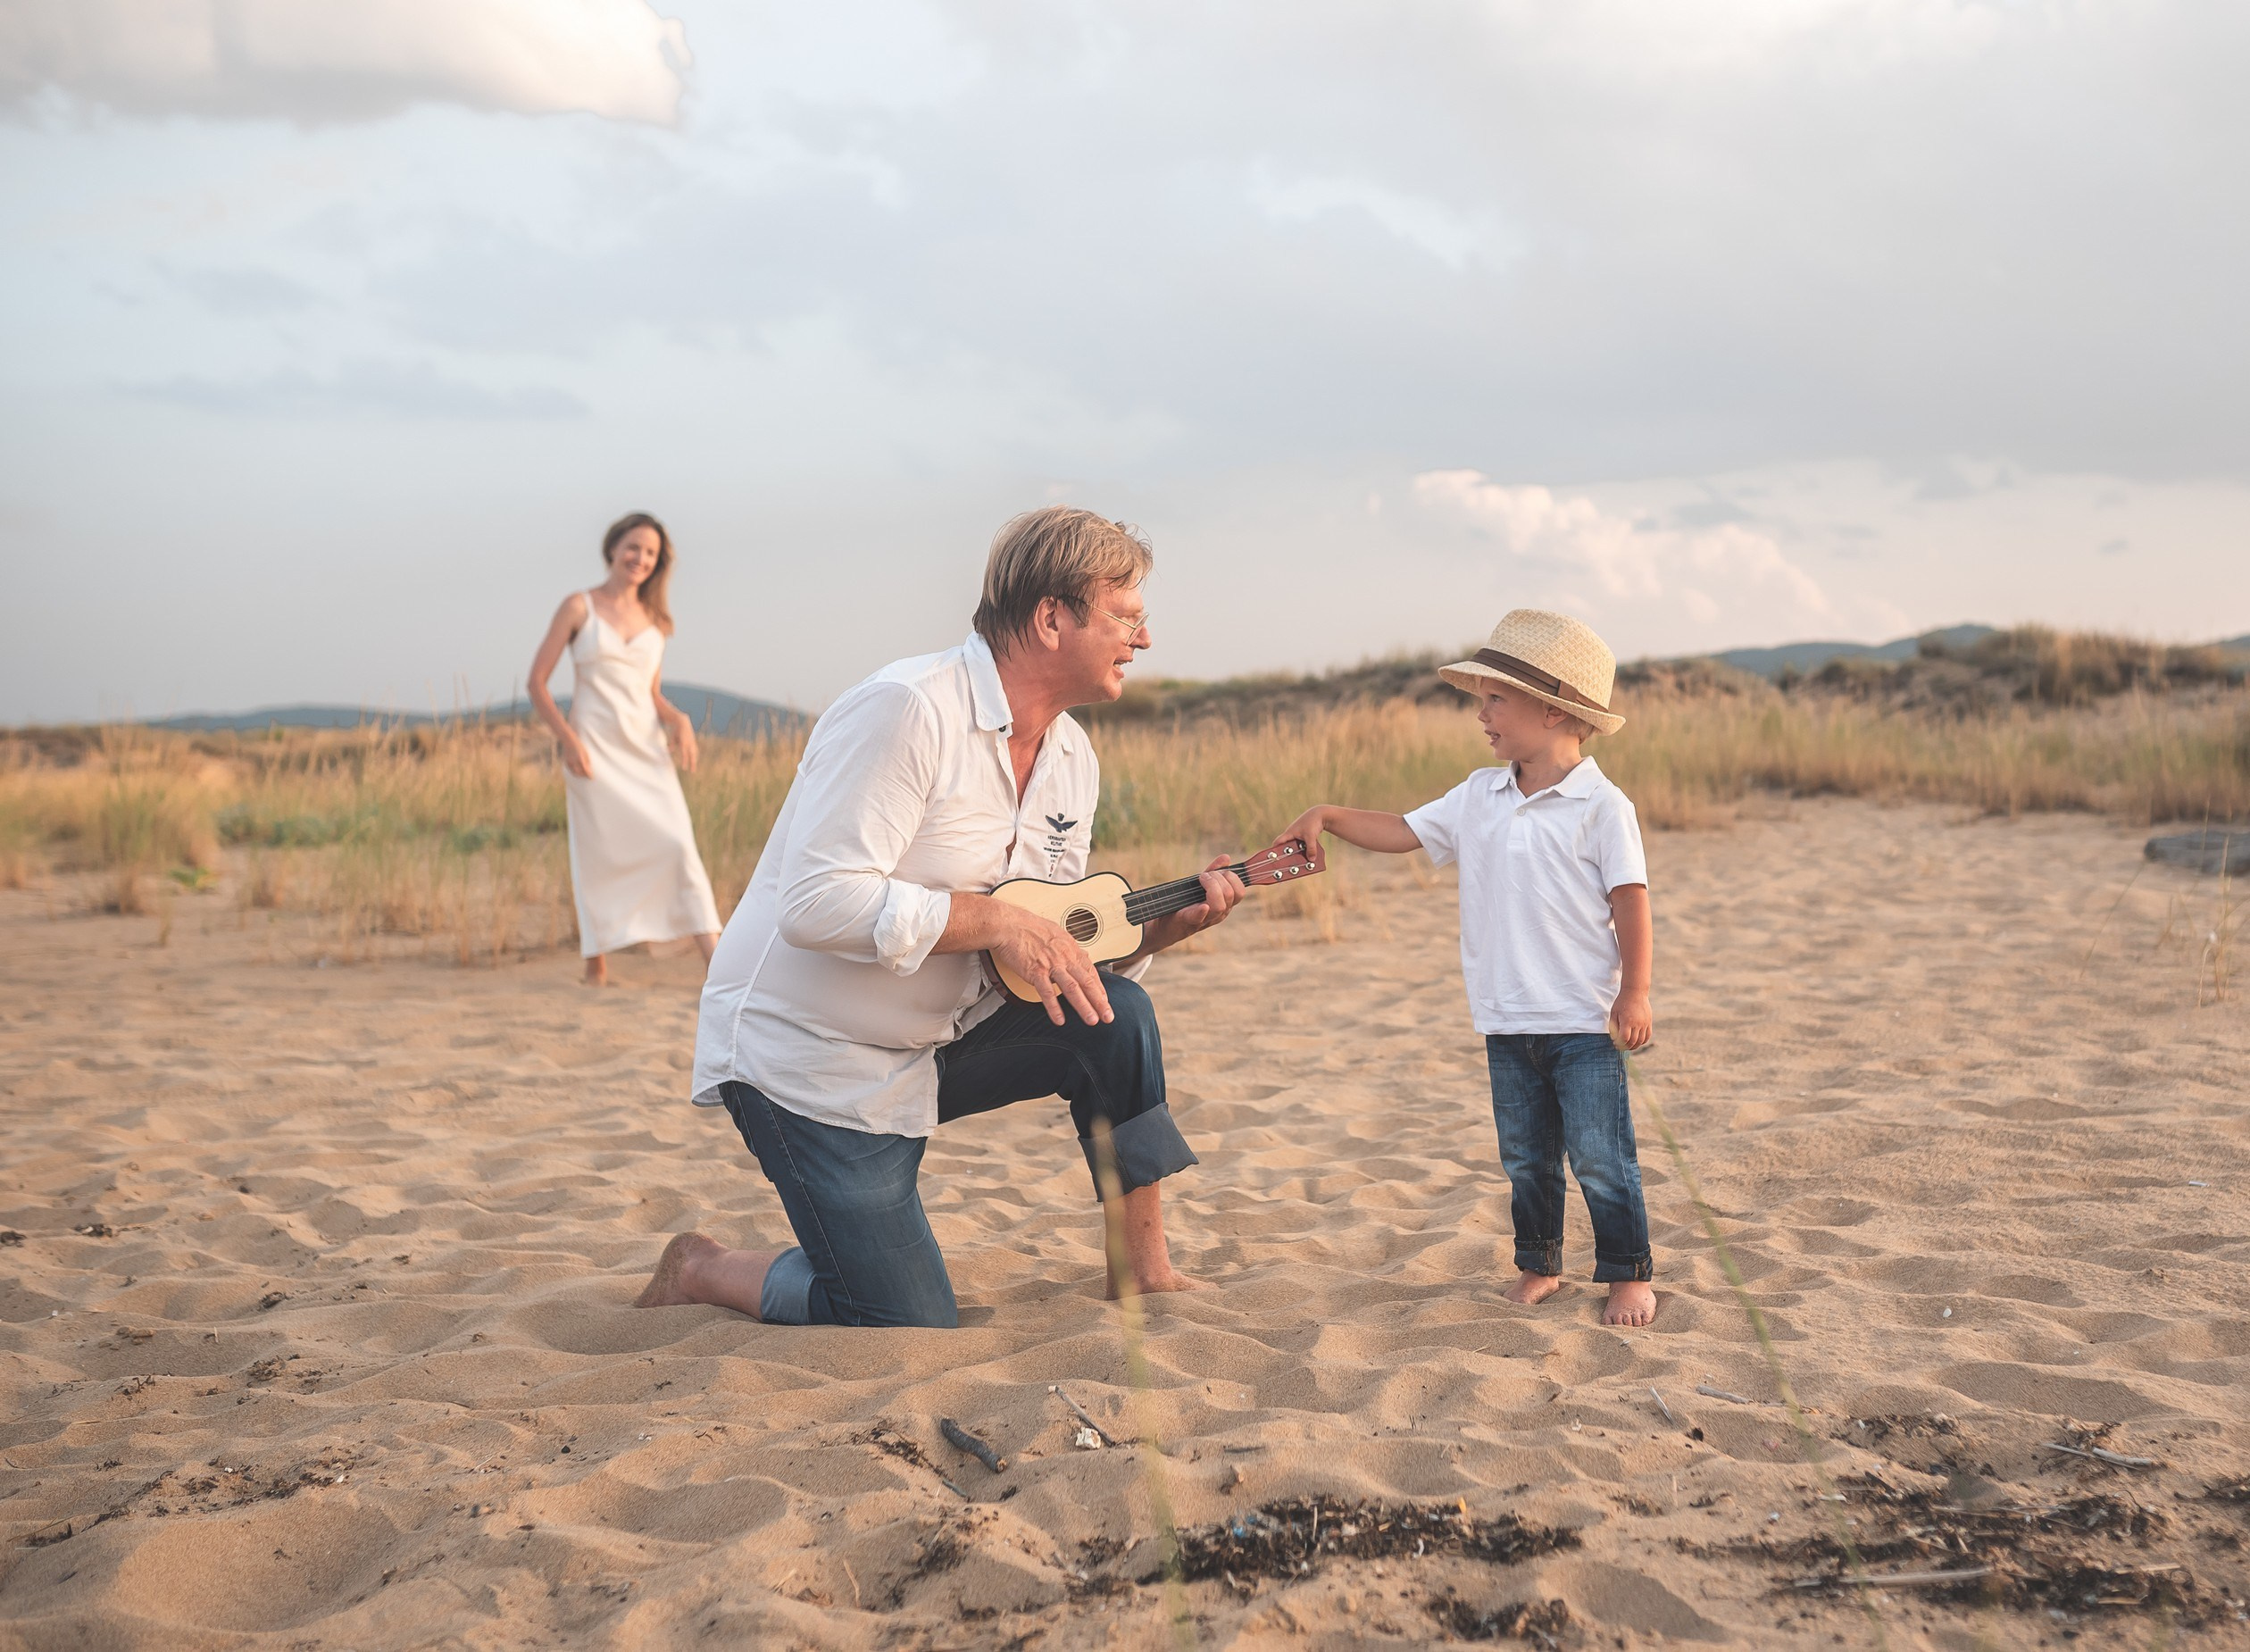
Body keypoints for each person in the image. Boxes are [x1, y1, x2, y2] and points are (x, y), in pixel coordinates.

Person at [636, 507, 1245, 1328]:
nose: (1144, 639)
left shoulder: (1073, 758)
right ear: (1052, 616)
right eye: (1127, 616)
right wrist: (994, 922)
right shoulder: (905, 709)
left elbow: (1047, 933)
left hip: (942, 1036)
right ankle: (706, 1268)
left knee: (1117, 1016)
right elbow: (816, 903)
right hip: (813, 1062)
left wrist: (1159, 930)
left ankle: (1144, 1273)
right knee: (900, 1318)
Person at [1273, 609, 1660, 1327]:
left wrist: (1634, 992)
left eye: (1495, 699)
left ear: (1551, 710)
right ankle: (1538, 1262)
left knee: (1602, 1157)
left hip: (1582, 1021)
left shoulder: (1603, 807)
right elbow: (1401, 831)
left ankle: (1627, 1274)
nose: (1480, 712)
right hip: (1506, 1018)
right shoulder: (1479, 795)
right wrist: (1327, 814)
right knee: (1526, 1159)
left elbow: (1630, 902)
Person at [529, 513, 722, 987]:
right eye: (633, 547)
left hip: (647, 752)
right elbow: (537, 683)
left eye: (651, 553)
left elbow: (649, 692)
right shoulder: (579, 607)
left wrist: (677, 719)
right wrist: (568, 740)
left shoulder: (656, 620)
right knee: (598, 853)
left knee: (679, 846)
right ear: (613, 548)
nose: (640, 558)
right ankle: (596, 966)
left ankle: (717, 967)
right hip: (594, 748)